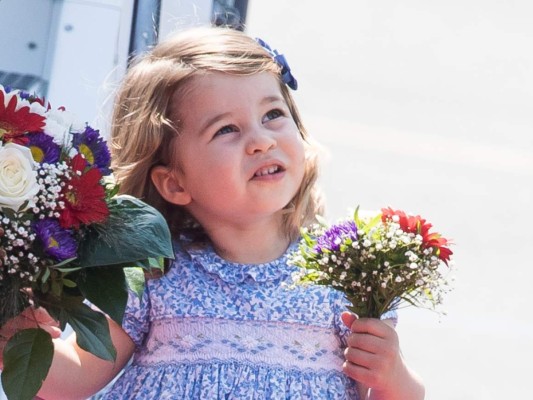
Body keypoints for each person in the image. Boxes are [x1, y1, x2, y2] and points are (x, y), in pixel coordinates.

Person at [0, 27, 424, 400]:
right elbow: (74, 379)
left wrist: (393, 378)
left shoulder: (347, 274)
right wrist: (13, 334)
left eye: (273, 114)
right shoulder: (152, 274)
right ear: (175, 183)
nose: (261, 141)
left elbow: (393, 394)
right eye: (227, 130)